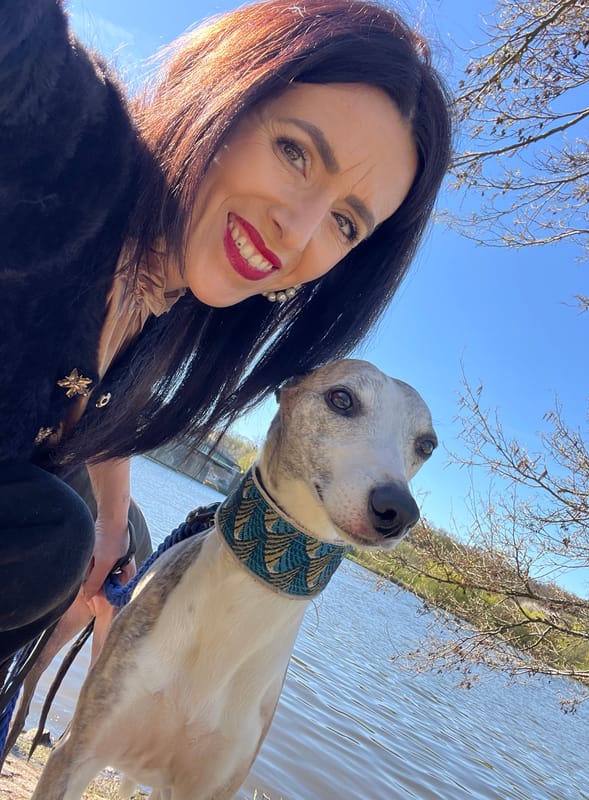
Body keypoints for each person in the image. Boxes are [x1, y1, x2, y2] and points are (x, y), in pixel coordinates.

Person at [0, 0, 452, 713]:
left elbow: (96, 399)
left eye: (344, 222)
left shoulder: (162, 316)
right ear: (230, 91)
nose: (298, 230)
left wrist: (112, 520)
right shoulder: (66, 147)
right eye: (295, 152)